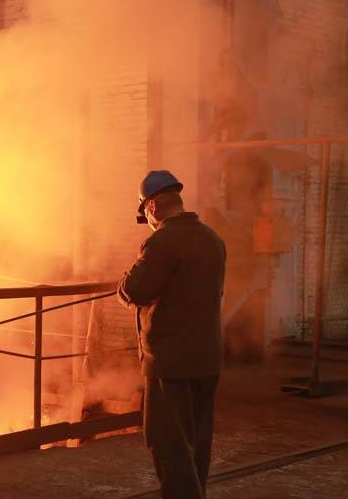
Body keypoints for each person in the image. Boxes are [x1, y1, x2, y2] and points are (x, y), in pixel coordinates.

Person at [118, 170, 226, 499]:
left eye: (145, 215)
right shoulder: (212, 239)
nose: (148, 222)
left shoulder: (162, 241)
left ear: (151, 206)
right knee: (196, 443)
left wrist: (124, 282)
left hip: (171, 363)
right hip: (207, 358)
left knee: (167, 442)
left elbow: (135, 290)